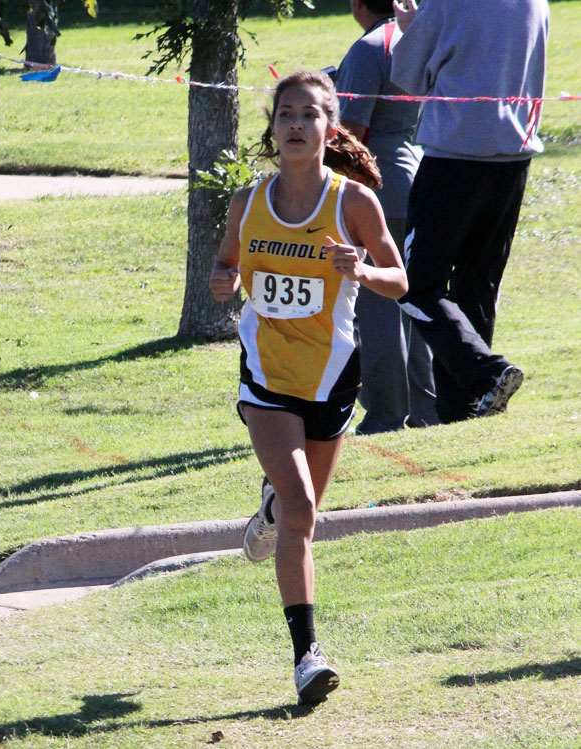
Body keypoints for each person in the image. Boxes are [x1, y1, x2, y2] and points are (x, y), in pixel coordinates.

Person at [209, 71, 407, 704]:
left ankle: (268, 510)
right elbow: (225, 263)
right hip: (266, 377)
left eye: (309, 115)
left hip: (331, 379)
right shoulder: (248, 202)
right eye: (285, 114)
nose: (295, 124)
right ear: (273, 127)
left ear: (329, 128)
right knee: (301, 509)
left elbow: (399, 281)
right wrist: (221, 280)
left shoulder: (354, 204)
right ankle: (307, 658)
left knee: (302, 515)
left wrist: (364, 268)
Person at [390, 0, 548, 423]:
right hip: (513, 160)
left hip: (454, 159)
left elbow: (406, 78)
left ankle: (487, 374)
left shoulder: (446, 3)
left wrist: (410, 27)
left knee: (414, 284)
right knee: (475, 288)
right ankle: (468, 412)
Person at [337, 0, 436, 434]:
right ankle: (427, 409)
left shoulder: (367, 48)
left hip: (379, 185)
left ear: (358, 4)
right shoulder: (416, 37)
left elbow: (351, 136)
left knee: (377, 305)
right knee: (413, 298)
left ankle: (385, 414)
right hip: (421, 176)